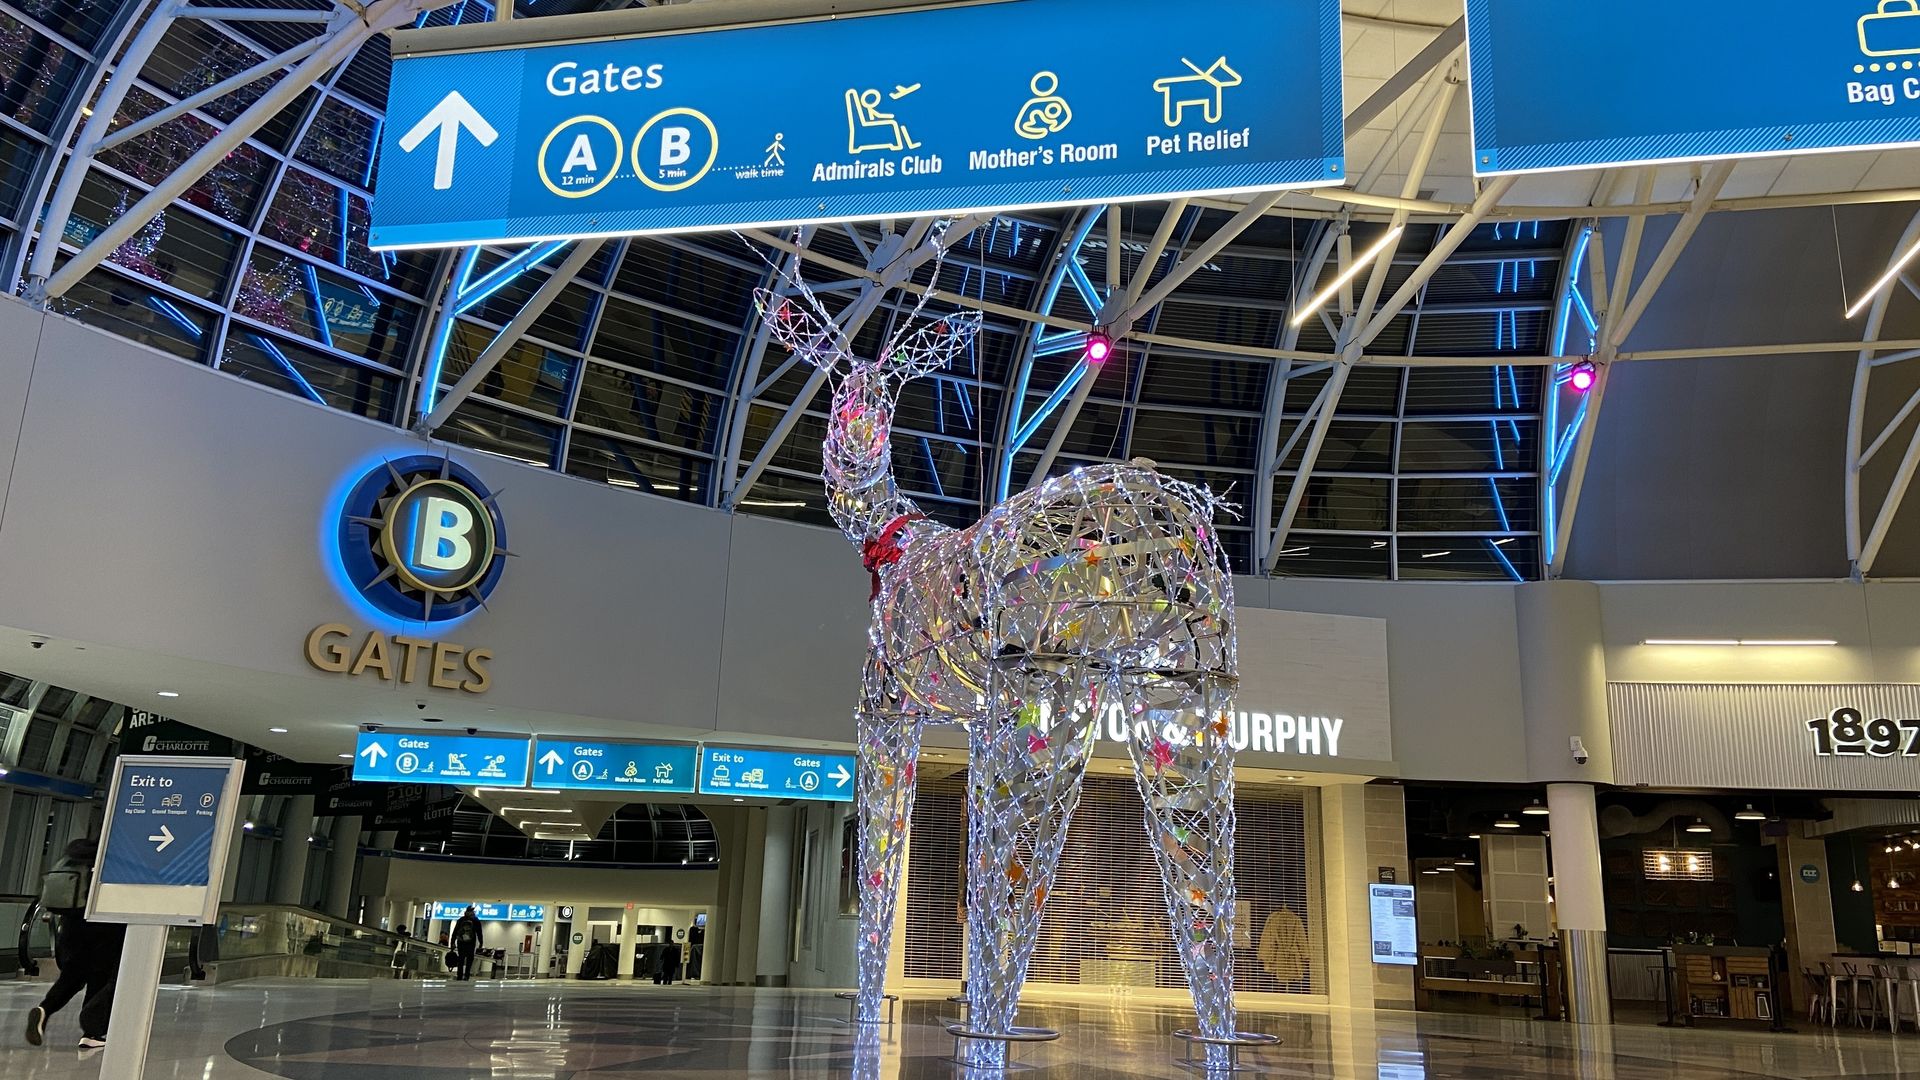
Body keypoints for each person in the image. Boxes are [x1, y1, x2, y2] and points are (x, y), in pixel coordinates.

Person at [23, 838, 124, 1050]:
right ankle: (92, 1032)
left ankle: (44, 1010)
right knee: (100, 975)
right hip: (102, 923)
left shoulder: (75, 853)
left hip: (70, 925)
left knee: (72, 976)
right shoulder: (111, 856)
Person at [450, 907, 482, 981]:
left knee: (461, 959)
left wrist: (452, 942)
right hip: (471, 943)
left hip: (461, 942)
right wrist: (481, 942)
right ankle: (466, 975)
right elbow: (479, 932)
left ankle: (459, 975)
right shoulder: (476, 920)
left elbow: (455, 932)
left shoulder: (461, 920)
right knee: (469, 959)